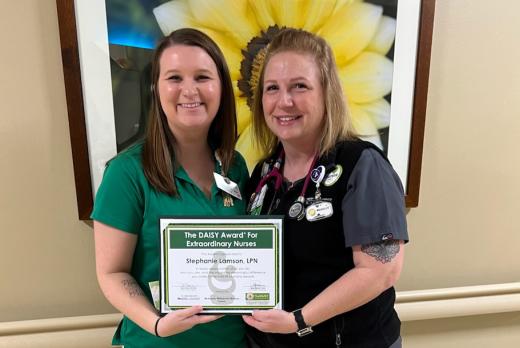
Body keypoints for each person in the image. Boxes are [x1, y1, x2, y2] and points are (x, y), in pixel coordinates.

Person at [242, 28, 408, 348]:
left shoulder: (362, 164)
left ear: (326, 93)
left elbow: (380, 271)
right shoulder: (263, 174)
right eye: (272, 88)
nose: (284, 101)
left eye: (300, 86)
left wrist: (298, 320)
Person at [92, 28, 248, 348]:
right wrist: (158, 324)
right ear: (157, 87)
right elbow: (112, 273)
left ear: (221, 88)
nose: (189, 90)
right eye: (174, 78)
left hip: (233, 342)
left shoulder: (235, 166)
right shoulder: (126, 173)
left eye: (202, 77)